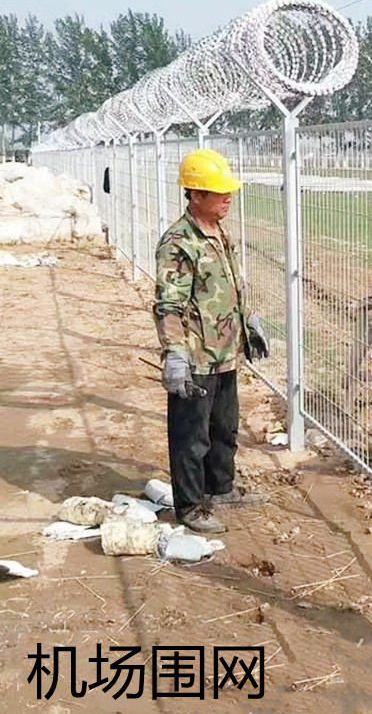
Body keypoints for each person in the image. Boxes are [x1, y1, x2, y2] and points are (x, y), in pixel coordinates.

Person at [153, 148, 269, 534]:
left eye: (228, 191)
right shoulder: (179, 243)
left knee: (224, 428)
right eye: (220, 192)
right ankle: (190, 506)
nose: (228, 198)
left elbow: (230, 284)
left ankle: (220, 488)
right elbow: (169, 305)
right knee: (191, 436)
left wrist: (248, 321)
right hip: (197, 356)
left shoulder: (219, 233)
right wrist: (175, 355)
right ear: (196, 195)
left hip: (225, 352)